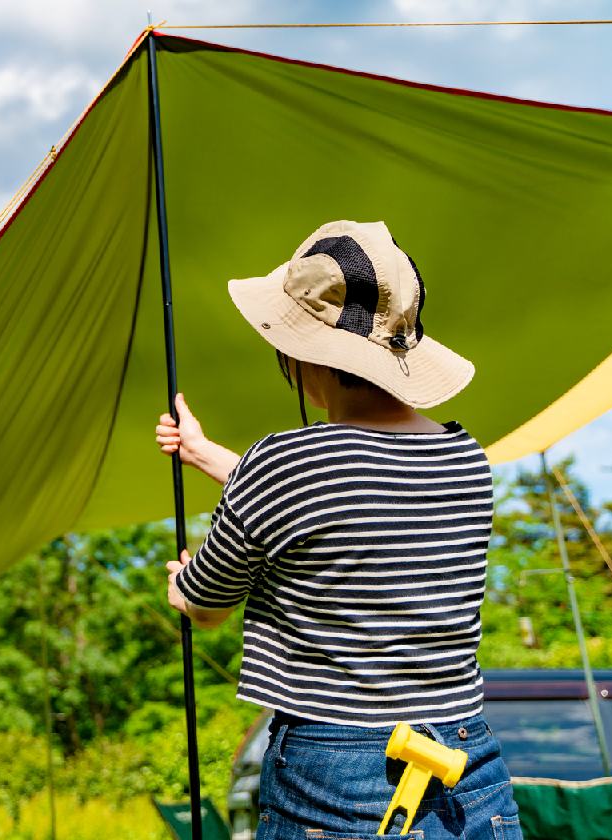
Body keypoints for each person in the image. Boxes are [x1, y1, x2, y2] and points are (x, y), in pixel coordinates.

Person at [153, 220, 521, 839]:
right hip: (466, 761)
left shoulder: (285, 463)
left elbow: (207, 605)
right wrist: (207, 454)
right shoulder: (466, 458)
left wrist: (181, 584)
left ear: (300, 355)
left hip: (337, 766)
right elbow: (351, 494)